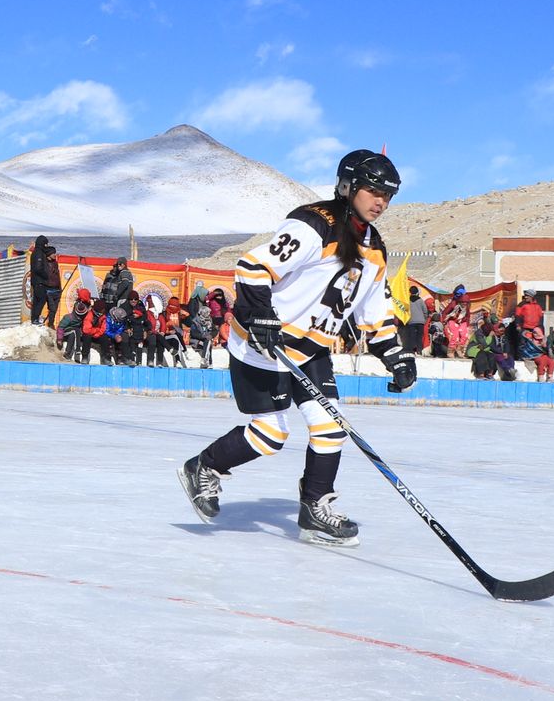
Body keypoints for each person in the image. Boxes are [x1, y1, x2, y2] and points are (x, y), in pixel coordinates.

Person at [177, 149, 415, 548]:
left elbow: (374, 312)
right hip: (262, 346)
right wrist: (262, 317)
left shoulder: (375, 249)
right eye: (373, 191)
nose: (380, 202)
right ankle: (203, 466)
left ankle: (314, 509)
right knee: (271, 434)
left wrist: (395, 355)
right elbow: (252, 268)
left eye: (387, 196)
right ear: (348, 186)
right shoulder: (313, 225)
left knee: (330, 426)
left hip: (311, 350)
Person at [27, 236, 63, 329]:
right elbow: (38, 268)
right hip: (39, 281)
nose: (46, 245)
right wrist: (45, 275)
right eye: (45, 243)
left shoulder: (36, 252)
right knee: (40, 300)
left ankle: (34, 318)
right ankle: (35, 319)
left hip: (37, 280)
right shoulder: (39, 253)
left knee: (37, 300)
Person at [57, 290, 93, 362]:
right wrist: (60, 339)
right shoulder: (69, 317)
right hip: (66, 331)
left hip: (75, 332)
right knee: (74, 331)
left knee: (74, 333)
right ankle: (77, 351)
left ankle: (68, 354)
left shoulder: (85, 310)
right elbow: (61, 327)